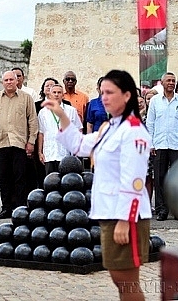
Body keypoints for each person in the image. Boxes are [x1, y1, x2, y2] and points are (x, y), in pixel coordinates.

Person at [42, 70, 151, 301]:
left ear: (127, 96)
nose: (104, 97)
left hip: (126, 216)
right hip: (108, 211)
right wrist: (62, 115)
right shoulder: (108, 127)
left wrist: (125, 219)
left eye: (110, 92)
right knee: (118, 278)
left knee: (127, 281)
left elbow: (135, 179)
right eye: (102, 92)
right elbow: (80, 144)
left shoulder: (133, 132)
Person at [0, 70, 38, 219]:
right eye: (6, 80)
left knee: (20, 177)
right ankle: (6, 207)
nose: (9, 82)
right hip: (1, 143)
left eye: (11, 79)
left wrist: (31, 141)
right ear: (2, 82)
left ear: (17, 81)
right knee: (3, 177)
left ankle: (20, 208)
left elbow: (32, 121)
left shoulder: (26, 98)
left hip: (19, 143)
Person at [146, 72, 178, 221]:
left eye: (173, 80)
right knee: (159, 178)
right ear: (162, 83)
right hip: (159, 145)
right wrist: (151, 144)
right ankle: (162, 210)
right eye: (169, 80)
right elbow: (150, 123)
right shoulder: (154, 101)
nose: (171, 83)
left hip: (177, 144)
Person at [37, 84, 82, 174]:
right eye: (54, 92)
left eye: (59, 92)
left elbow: (78, 129)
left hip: (66, 153)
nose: (56, 94)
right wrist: (40, 152)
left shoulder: (71, 110)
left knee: (66, 182)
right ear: (50, 95)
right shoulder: (43, 112)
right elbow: (41, 133)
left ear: (63, 95)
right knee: (51, 182)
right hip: (49, 153)